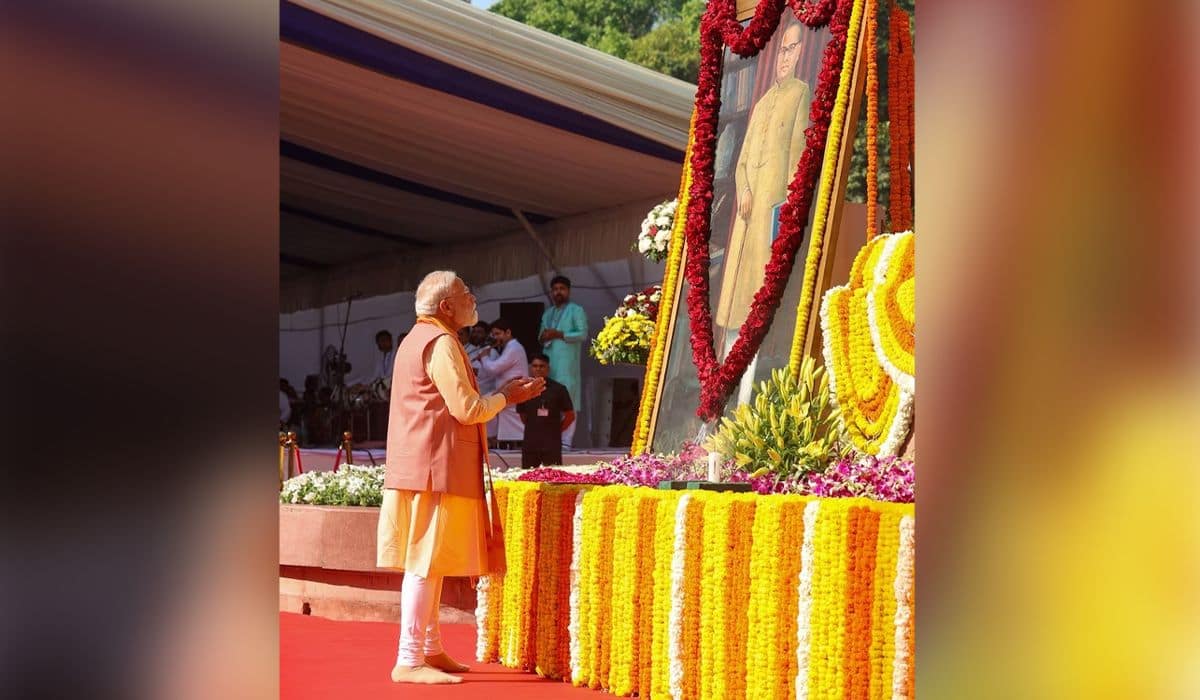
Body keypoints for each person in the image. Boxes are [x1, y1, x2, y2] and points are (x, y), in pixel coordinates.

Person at [378, 270, 544, 685]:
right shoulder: (439, 342)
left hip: (427, 465)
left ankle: (429, 649)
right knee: (424, 562)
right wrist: (510, 396)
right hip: (434, 468)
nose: (474, 299)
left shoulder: (419, 338)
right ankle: (409, 658)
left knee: (430, 561)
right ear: (446, 307)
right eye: (466, 294)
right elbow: (468, 409)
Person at [715, 20, 811, 344]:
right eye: (782, 49)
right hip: (746, 211)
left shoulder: (800, 93)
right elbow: (740, 162)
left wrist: (784, 210)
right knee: (732, 307)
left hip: (770, 211)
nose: (784, 56)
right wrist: (743, 189)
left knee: (758, 302)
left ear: (800, 53)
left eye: (791, 49)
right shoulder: (760, 103)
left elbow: (799, 157)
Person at [537, 275, 587, 447]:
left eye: (562, 289)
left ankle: (566, 441)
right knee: (548, 400)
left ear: (568, 291)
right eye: (555, 289)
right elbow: (540, 336)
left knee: (568, 401)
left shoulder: (576, 310)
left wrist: (559, 334)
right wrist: (545, 336)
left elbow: (582, 334)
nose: (558, 292)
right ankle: (551, 439)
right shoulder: (548, 313)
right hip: (549, 364)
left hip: (567, 365)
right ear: (551, 292)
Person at [516, 353, 574, 469]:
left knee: (553, 478)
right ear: (530, 368)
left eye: (541, 366)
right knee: (528, 478)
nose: (538, 369)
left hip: (551, 443)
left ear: (548, 368)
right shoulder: (524, 389)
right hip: (530, 442)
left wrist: (557, 429)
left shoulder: (559, 389)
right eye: (535, 366)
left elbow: (570, 415)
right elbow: (522, 414)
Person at [479, 318, 528, 449]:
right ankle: (493, 439)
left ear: (508, 332)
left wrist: (484, 356)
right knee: (485, 403)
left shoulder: (514, 347)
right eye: (493, 335)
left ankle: (491, 440)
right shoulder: (510, 347)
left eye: (497, 334)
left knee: (484, 404)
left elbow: (493, 369)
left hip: (514, 391)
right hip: (509, 391)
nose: (495, 338)